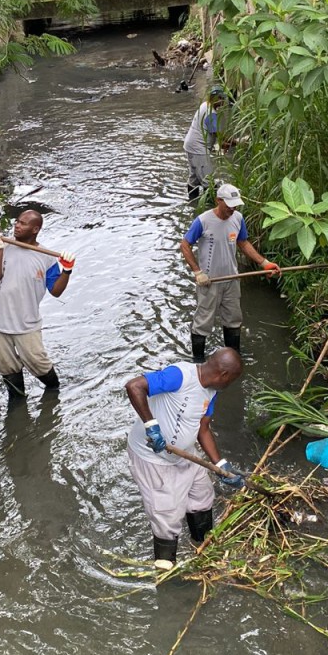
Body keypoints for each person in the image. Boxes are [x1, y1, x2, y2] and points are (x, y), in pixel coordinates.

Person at [125, 348, 244, 569]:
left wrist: (220, 465)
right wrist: (152, 426)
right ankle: (166, 572)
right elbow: (134, 386)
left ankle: (203, 548)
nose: (230, 385)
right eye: (232, 380)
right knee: (166, 515)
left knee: (202, 495)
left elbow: (204, 429)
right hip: (153, 458)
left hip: (186, 454)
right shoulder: (180, 375)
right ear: (224, 375)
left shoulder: (211, 391)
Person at [180, 182, 280, 361]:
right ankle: (198, 362)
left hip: (232, 279)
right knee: (203, 322)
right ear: (218, 200)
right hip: (209, 281)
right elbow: (185, 244)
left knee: (233, 319)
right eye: (229, 206)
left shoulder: (238, 218)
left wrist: (264, 263)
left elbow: (243, 243)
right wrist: (197, 272)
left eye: (235, 206)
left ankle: (234, 357)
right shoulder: (203, 221)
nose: (232, 210)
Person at [0, 209, 76, 397]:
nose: (17, 225)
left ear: (35, 230)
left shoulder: (46, 257)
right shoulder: (2, 245)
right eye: (17, 221)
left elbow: (56, 291)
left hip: (27, 324)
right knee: (7, 367)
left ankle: (54, 394)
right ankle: (17, 404)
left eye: (23, 223)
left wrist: (66, 270)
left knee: (38, 363)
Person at [183, 85, 227, 200]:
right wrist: (238, 142)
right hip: (198, 149)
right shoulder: (211, 114)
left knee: (194, 179)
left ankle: (193, 203)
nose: (223, 103)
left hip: (190, 146)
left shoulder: (204, 105)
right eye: (222, 99)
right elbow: (220, 139)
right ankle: (210, 206)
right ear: (217, 99)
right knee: (209, 181)